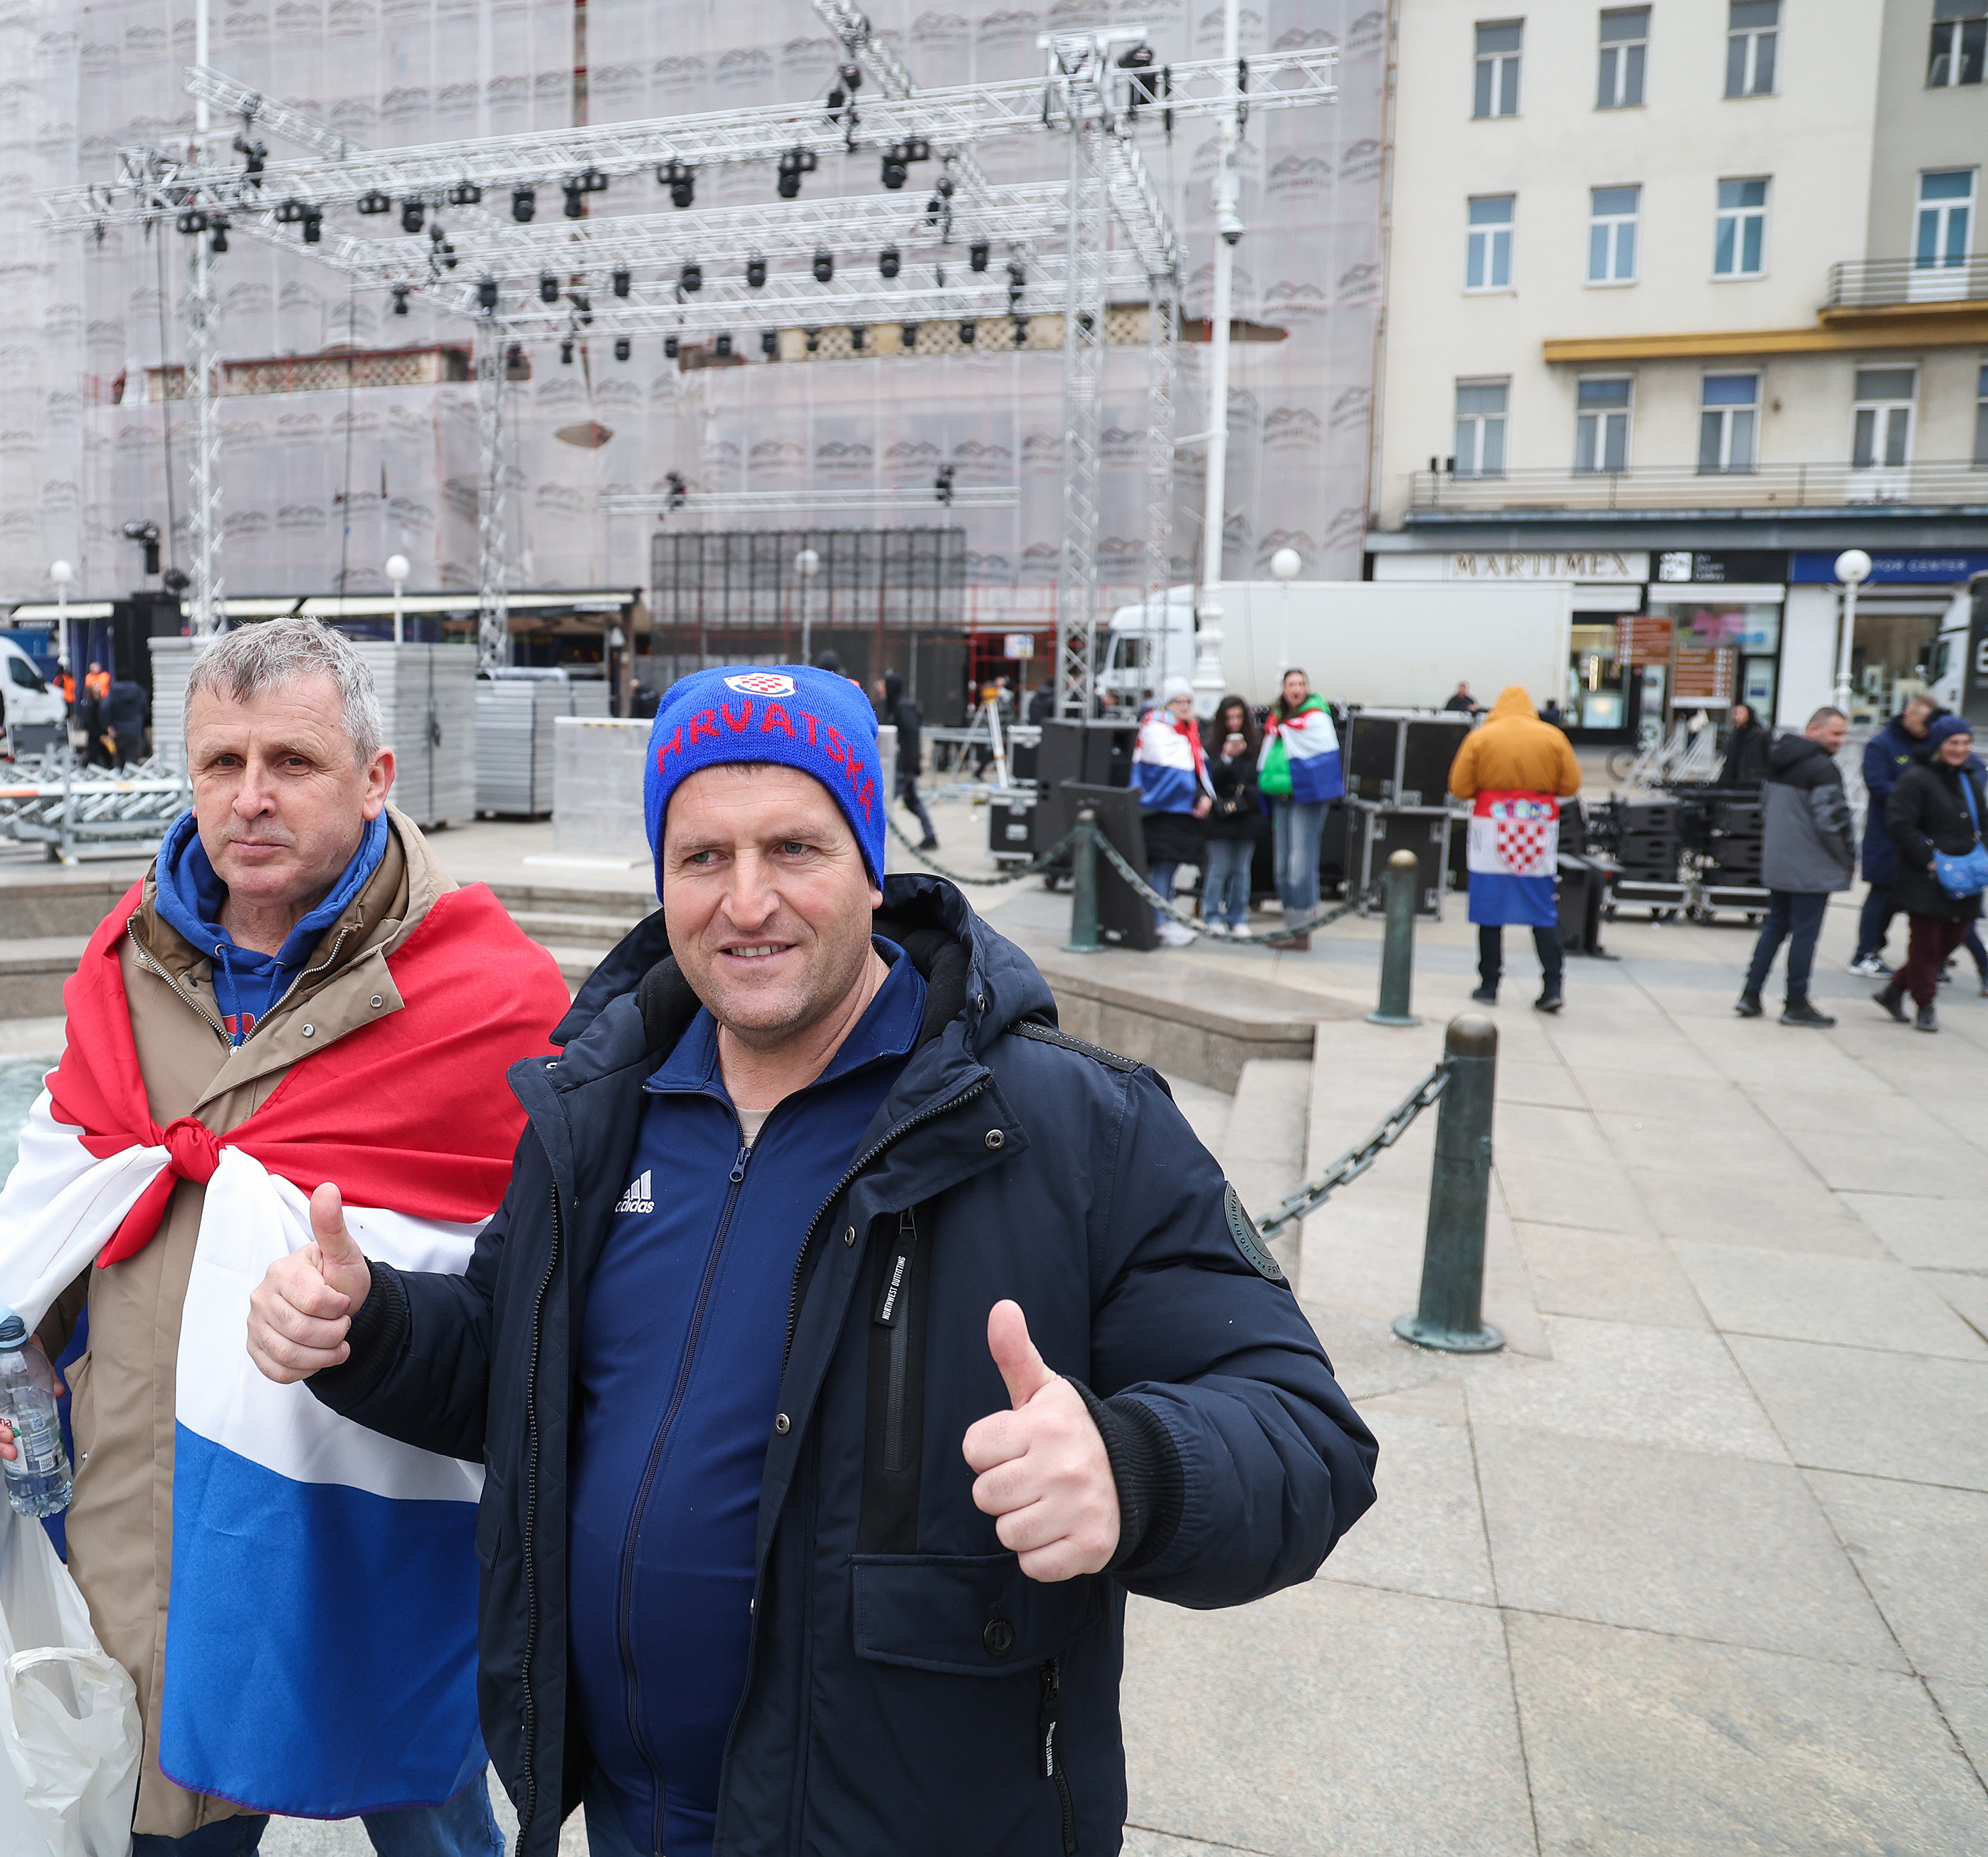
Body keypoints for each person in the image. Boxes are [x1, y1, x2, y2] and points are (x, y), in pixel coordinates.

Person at [250, 660, 1377, 1857]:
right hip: (634, 1827)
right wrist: (370, 1329)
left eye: (794, 848)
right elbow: (515, 1378)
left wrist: (1136, 1466)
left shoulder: (1071, 1128)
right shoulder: (597, 1109)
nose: (746, 903)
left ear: (870, 866)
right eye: (703, 857)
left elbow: (1308, 1434)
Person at [0, 620, 564, 1856]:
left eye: (294, 762)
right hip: (144, 1494)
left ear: (376, 779)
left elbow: (533, 1288)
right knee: (166, 1813)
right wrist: (26, 1357)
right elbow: (65, 1197)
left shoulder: (488, 993)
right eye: (221, 763)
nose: (251, 797)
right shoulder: (125, 960)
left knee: (420, 1794)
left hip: (364, 1500)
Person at [1450, 682, 1581, 1013]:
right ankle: (1552, 985)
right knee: (1541, 907)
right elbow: (1570, 784)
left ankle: (1489, 985)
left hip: (1491, 832)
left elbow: (1461, 786)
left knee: (1490, 907)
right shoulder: (1552, 737)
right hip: (1536, 831)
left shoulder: (1481, 737)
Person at [1736, 707, 1852, 1029]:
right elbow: (1833, 823)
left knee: (1774, 927)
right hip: (1812, 867)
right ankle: (1796, 1002)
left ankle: (1750, 993)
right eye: (1836, 733)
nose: (1841, 741)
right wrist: (1847, 858)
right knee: (1805, 935)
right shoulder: (1822, 769)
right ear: (1813, 730)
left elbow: (1764, 808)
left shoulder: (1776, 760)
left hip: (1780, 861)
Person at [1873, 714, 1984, 1034]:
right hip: (1925, 877)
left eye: (1965, 742)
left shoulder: (1970, 779)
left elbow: (1984, 822)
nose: (1961, 749)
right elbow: (1899, 824)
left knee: (1954, 938)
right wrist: (1928, 858)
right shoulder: (1916, 779)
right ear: (1938, 744)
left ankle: (1894, 990)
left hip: (1967, 877)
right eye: (1954, 742)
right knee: (1925, 946)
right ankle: (1926, 1005)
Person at [1851, 692, 1936, 977]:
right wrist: (1918, 800)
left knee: (1924, 898)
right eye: (1923, 721)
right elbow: (1878, 785)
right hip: (1887, 835)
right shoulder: (1882, 745)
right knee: (1882, 894)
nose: (1926, 728)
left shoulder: (1933, 744)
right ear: (1907, 714)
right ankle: (1865, 953)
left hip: (1922, 836)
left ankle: (1930, 958)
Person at [1257, 669, 1343, 949]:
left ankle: (1303, 928)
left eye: (1301, 684)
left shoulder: (1316, 717)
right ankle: (1292, 928)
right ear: (1283, 689)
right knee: (1282, 868)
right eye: (1291, 684)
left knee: (1299, 866)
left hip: (1308, 797)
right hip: (1282, 795)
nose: (1297, 688)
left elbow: (1324, 753)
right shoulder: (1276, 719)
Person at [1130, 675, 1211, 947]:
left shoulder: (1187, 731)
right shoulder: (1157, 727)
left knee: (1169, 868)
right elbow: (1169, 773)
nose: (1185, 706)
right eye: (1180, 701)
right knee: (1161, 870)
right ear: (1168, 703)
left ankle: (1162, 918)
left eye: (1189, 701)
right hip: (1160, 812)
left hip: (1180, 814)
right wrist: (1195, 796)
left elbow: (1194, 768)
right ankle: (1159, 922)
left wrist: (1201, 795)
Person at [1199, 692, 1261, 936]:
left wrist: (1244, 757)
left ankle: (1238, 916)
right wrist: (1226, 758)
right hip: (1220, 816)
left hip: (1246, 814)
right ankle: (1212, 914)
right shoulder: (1212, 746)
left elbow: (1257, 780)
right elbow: (1208, 779)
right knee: (1219, 868)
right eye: (1229, 718)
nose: (1234, 723)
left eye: (1238, 717)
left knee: (1242, 871)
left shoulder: (1256, 745)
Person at [880, 669, 936, 851]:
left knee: (884, 803)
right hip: (903, 764)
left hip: (904, 766)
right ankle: (930, 835)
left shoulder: (903, 708)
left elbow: (912, 737)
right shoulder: (897, 706)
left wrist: (912, 764)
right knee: (912, 802)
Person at [1715, 699, 1771, 791]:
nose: (1736, 717)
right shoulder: (1735, 735)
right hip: (1736, 779)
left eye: (1739, 713)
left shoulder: (1761, 735)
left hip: (1753, 781)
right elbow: (1731, 761)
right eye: (1734, 714)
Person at [106, 674, 151, 766]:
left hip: (118, 730)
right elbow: (145, 708)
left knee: (119, 760)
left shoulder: (113, 691)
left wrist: (109, 725)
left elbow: (105, 708)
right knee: (133, 758)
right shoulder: (138, 690)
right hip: (135, 728)